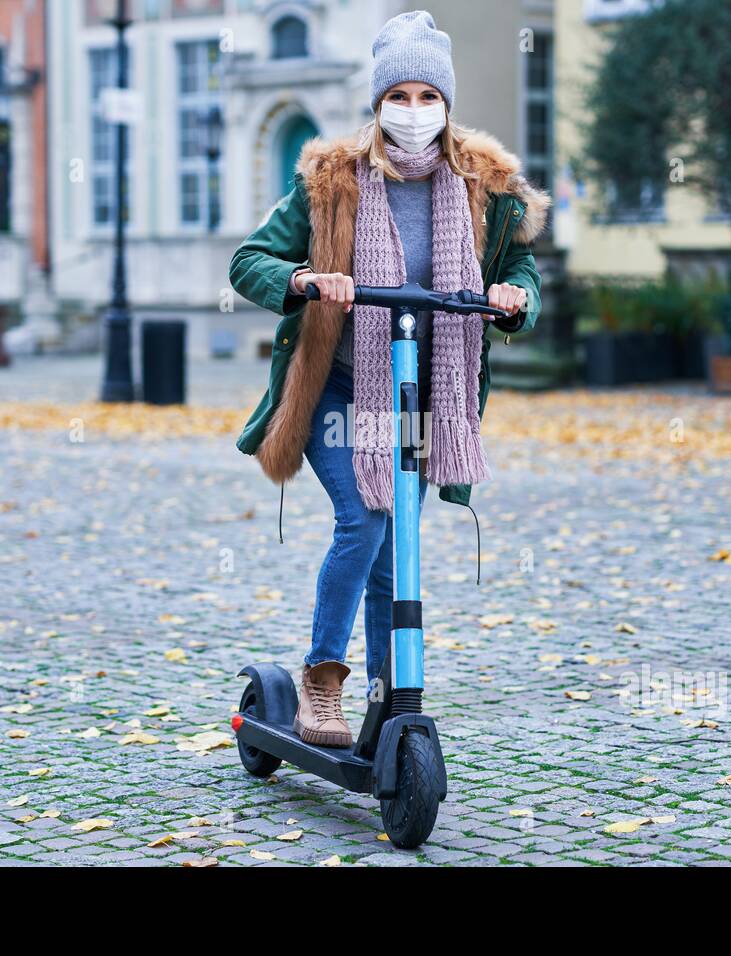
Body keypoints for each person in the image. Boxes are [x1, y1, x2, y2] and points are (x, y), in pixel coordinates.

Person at [229, 10, 548, 747]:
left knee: (396, 540)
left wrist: (513, 298)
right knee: (365, 519)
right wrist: (306, 279)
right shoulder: (333, 179)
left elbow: (517, 267)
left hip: (416, 392)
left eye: (425, 96)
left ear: (446, 103)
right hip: (338, 391)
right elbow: (249, 261)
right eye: (396, 97)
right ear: (377, 104)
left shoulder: (485, 188)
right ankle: (321, 681)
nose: (412, 112)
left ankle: (388, 696)